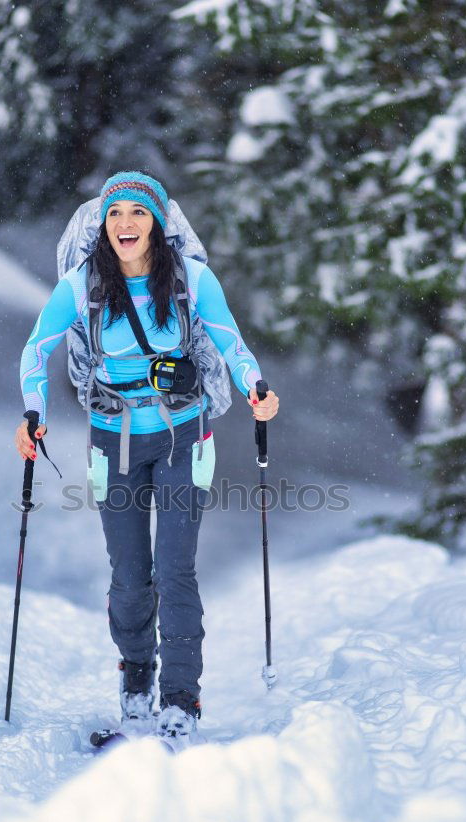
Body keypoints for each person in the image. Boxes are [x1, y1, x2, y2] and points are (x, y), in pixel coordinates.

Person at [15, 171, 279, 742]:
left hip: (185, 434)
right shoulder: (81, 286)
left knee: (176, 571)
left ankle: (181, 701)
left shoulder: (191, 279)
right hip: (113, 438)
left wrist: (256, 387)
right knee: (130, 576)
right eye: (115, 214)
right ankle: (137, 684)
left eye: (138, 212)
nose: (126, 223)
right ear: (102, 224)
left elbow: (231, 341)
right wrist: (33, 414)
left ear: (158, 222)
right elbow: (35, 351)